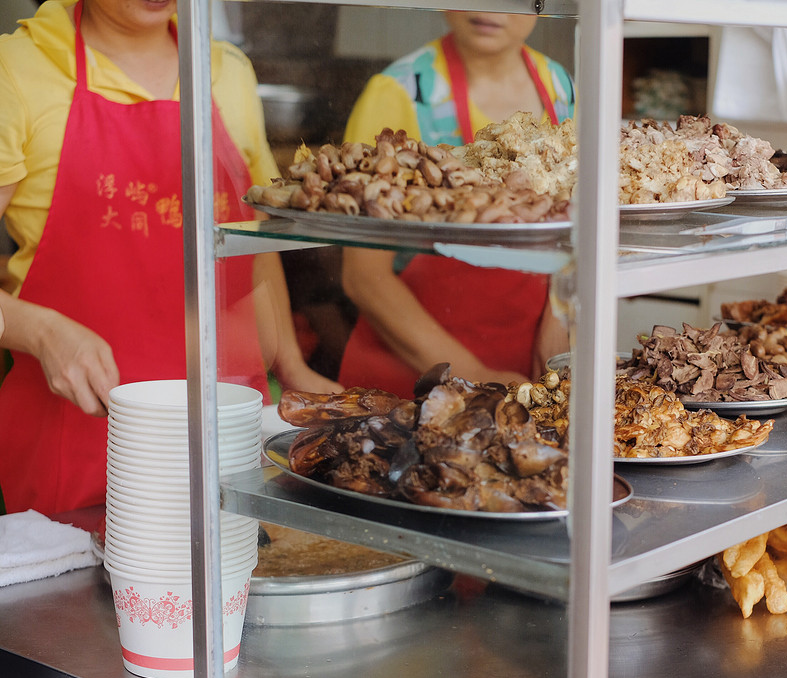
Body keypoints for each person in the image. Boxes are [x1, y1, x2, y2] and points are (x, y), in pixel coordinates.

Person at [0, 0, 342, 515]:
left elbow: (247, 240)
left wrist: (292, 368)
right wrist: (38, 331)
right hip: (82, 436)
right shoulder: (19, 69)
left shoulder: (224, 69)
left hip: (229, 427)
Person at [337, 11, 574, 398]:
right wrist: (475, 374)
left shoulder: (559, 86)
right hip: (409, 377)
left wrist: (557, 318)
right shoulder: (401, 91)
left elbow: (574, 229)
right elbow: (363, 276)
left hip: (524, 368)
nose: (488, 8)